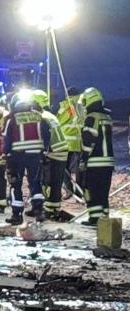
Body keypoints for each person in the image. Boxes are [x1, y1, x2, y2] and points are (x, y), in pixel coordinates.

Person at [3, 91, 51, 225]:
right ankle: (39, 211)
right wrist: (44, 151)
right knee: (35, 182)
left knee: (15, 184)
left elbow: (6, 139)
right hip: (35, 154)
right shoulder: (38, 116)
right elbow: (47, 134)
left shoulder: (11, 119)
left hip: (16, 156)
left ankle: (17, 215)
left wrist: (5, 154)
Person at [31, 90, 70, 221]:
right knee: (56, 182)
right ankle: (54, 208)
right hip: (61, 151)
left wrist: (43, 154)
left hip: (53, 153)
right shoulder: (49, 115)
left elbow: (45, 137)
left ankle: (49, 210)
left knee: (48, 182)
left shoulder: (42, 117)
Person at [79, 87, 115, 226]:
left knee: (91, 189)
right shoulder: (107, 117)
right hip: (108, 162)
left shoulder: (91, 118)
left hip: (94, 161)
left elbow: (88, 140)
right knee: (103, 191)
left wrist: (83, 159)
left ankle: (94, 218)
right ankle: (104, 219)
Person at [57, 87, 86, 198]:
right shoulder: (82, 105)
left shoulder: (66, 106)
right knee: (80, 168)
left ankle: (69, 189)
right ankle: (80, 191)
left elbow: (59, 120)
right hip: (80, 140)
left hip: (67, 141)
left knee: (63, 167)